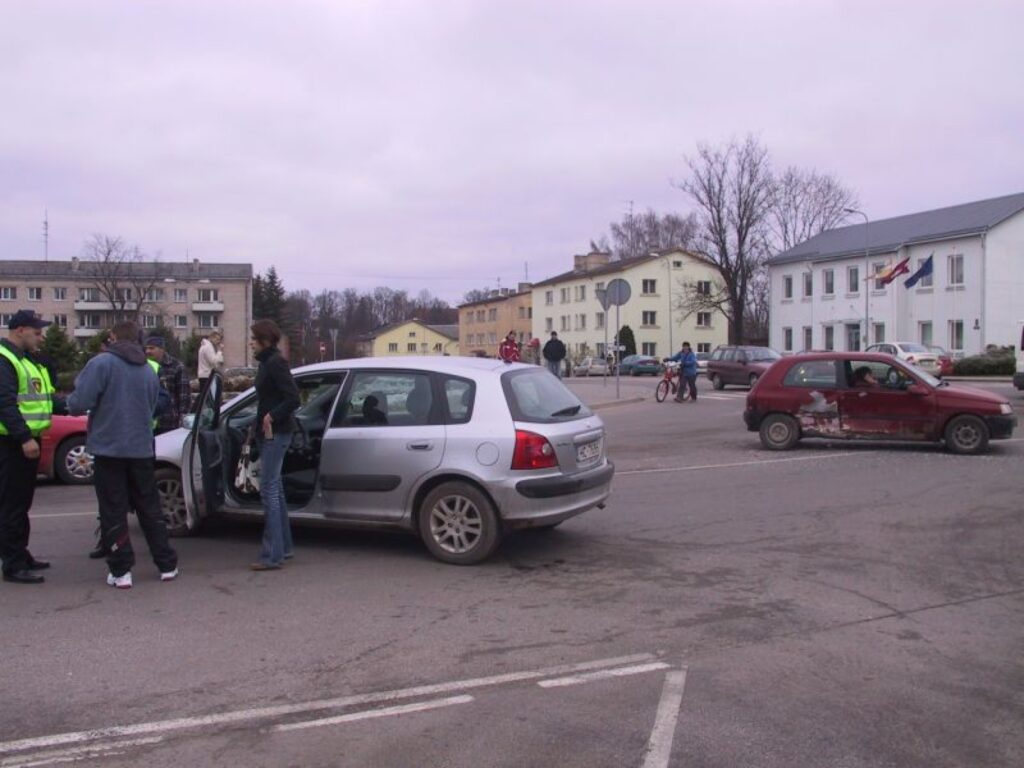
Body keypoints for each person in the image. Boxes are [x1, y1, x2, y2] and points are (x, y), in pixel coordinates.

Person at [68, 320, 178, 589]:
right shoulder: (147, 369)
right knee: (149, 506)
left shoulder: (101, 364)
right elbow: (156, 405)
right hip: (141, 447)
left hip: (109, 448)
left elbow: (78, 402)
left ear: (114, 337)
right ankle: (166, 564)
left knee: (113, 509)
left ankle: (121, 570)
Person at [0, 310, 59, 585]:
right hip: (12, 444)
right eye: (36, 332)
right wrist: (24, 437)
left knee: (21, 504)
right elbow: (5, 404)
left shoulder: (27, 361)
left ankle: (20, 554)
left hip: (27, 440)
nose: (41, 337)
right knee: (12, 505)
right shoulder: (5, 359)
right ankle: (12, 564)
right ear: (20, 330)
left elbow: (43, 399)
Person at [249, 319, 300, 571]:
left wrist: (271, 416)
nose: (250, 343)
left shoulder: (275, 363)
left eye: (254, 339)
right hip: (269, 432)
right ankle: (284, 548)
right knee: (275, 490)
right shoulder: (267, 363)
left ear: (265, 341)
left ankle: (272, 555)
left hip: (276, 433)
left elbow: (293, 398)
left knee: (269, 492)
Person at [144, 336, 192, 434]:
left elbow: (184, 396)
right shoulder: (144, 366)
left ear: (161, 349)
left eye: (152, 348)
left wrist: (182, 419)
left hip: (169, 423)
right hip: (149, 422)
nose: (147, 351)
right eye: (146, 348)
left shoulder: (176, 366)